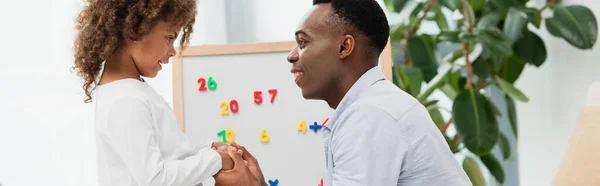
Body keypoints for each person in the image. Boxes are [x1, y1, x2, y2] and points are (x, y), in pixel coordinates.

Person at [285, 0, 473, 185]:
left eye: (302, 42)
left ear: (344, 47)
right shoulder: (375, 106)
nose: (291, 55)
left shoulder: (370, 115)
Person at [71, 1, 249, 185]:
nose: (173, 51)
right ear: (134, 29)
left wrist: (207, 149)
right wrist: (215, 159)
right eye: (169, 38)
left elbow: (168, 154)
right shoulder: (125, 101)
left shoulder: (131, 92)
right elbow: (156, 180)